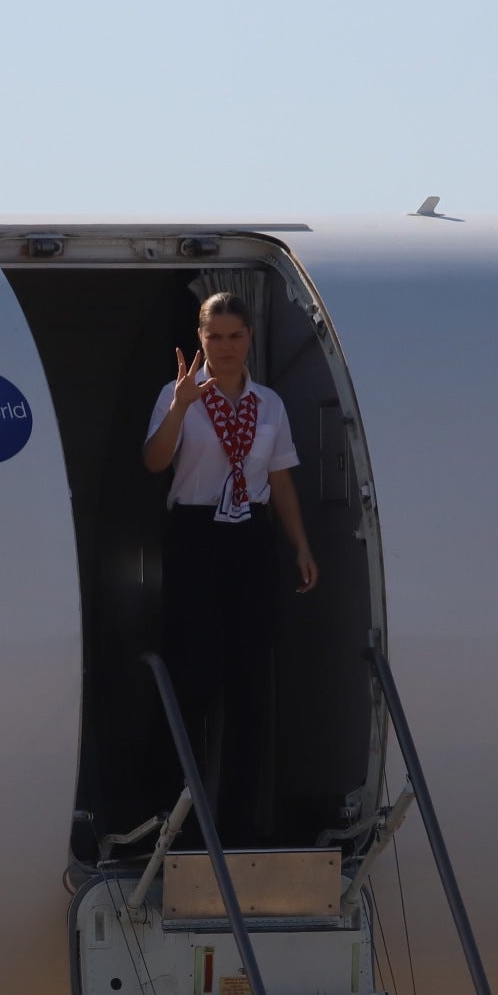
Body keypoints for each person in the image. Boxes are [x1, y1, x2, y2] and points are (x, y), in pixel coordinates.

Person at [141, 292, 318, 844]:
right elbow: (154, 461)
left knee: (249, 685)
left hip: (250, 539)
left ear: (248, 340)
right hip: (195, 537)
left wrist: (301, 546)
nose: (223, 347)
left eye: (234, 336)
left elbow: (282, 478)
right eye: (213, 337)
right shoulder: (178, 395)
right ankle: (178, 829)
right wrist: (179, 407)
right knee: (194, 680)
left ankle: (243, 826)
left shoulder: (269, 404)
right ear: (200, 339)